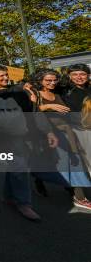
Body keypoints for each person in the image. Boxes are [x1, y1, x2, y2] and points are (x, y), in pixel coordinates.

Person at [0, 64, 58, 221]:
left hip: (21, 136)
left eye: (6, 75)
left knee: (16, 166)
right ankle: (24, 204)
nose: (5, 78)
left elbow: (33, 113)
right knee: (19, 166)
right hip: (0, 139)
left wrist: (48, 131)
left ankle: (10, 197)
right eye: (1, 76)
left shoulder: (18, 91)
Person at [31, 68, 91, 210]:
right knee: (52, 161)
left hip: (66, 131)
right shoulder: (35, 94)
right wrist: (47, 106)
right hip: (47, 133)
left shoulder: (59, 91)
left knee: (74, 161)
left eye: (54, 80)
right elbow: (30, 111)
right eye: (48, 80)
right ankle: (41, 180)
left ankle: (78, 195)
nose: (52, 83)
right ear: (40, 81)